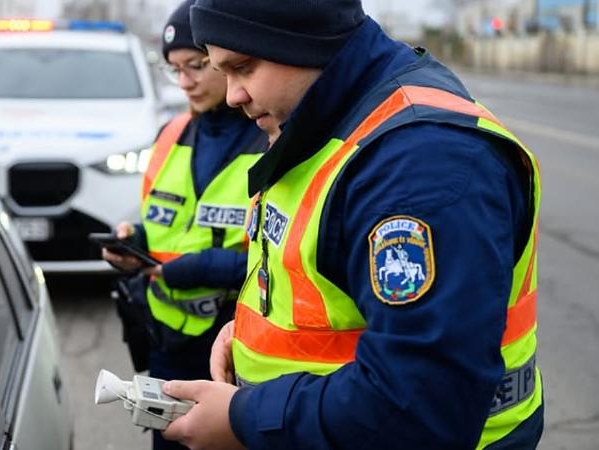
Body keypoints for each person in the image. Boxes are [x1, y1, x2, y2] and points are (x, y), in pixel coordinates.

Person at [160, 1, 544, 449]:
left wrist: (242, 417)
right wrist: (249, 337)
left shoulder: (421, 164)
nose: (233, 95)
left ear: (298, 36)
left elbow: (419, 404)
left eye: (243, 67)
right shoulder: (327, 119)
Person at [101, 1, 266, 449]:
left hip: (233, 346)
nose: (185, 81)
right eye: (174, 69)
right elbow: (163, 223)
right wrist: (133, 242)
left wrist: (200, 269)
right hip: (165, 342)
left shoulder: (273, 138)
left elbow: (287, 253)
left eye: (196, 65)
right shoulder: (170, 134)